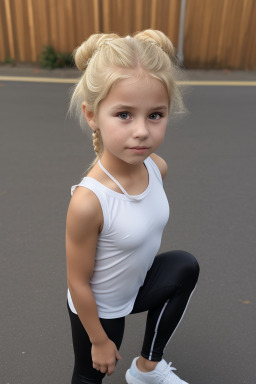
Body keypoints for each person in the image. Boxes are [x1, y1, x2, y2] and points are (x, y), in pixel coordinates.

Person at [66, 29, 200, 384]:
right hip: (100, 308)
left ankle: (147, 370)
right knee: (88, 376)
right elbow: (78, 282)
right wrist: (98, 340)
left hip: (137, 285)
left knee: (184, 266)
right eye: (124, 114)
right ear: (92, 115)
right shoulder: (89, 200)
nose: (142, 131)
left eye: (155, 115)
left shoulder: (156, 168)